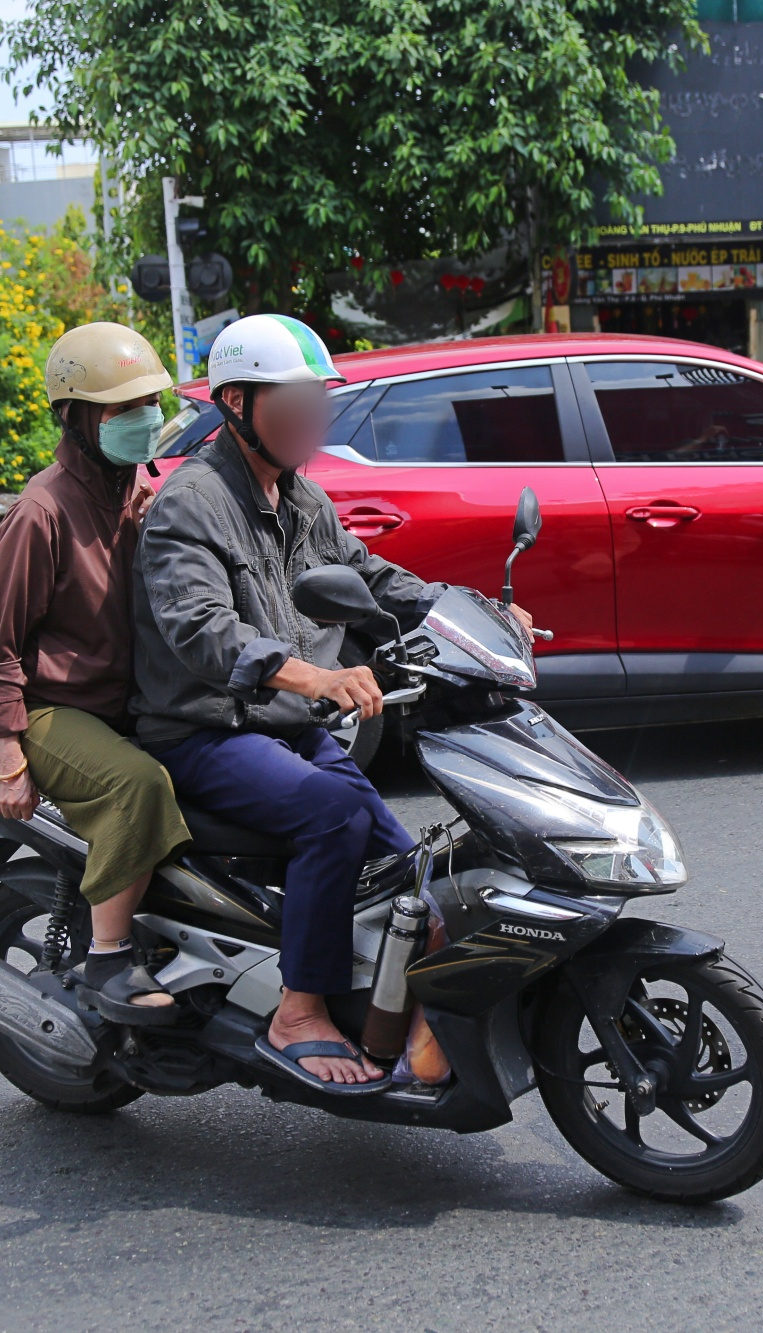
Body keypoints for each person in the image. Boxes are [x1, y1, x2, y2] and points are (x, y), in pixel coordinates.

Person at [131, 313, 535, 1093]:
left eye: (319, 404)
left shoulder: (301, 498)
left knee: (408, 865)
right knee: (335, 816)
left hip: (285, 728)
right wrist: (313, 677)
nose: (314, 423)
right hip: (206, 728)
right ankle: (298, 1011)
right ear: (239, 405)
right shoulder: (192, 503)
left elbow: (372, 577)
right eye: (295, 407)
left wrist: (476, 614)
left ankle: (385, 1005)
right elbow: (201, 632)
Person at [0, 323, 192, 1021]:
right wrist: (8, 753)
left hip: (122, 701)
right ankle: (107, 960)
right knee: (139, 786)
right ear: (77, 417)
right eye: (123, 409)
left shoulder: (133, 494)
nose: (144, 420)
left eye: (149, 404)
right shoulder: (42, 511)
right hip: (47, 711)